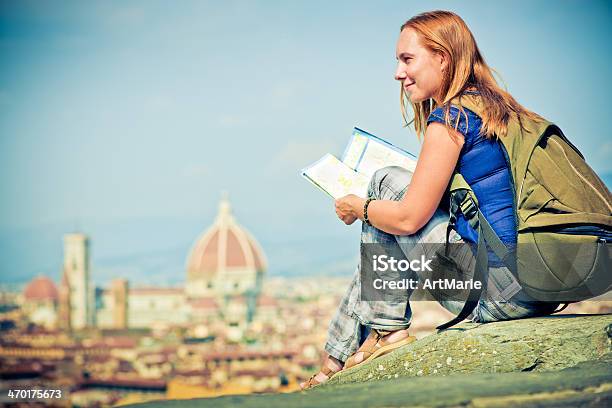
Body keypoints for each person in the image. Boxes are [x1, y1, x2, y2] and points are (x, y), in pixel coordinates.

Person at [300, 10, 561, 390]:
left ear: (442, 57)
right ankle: (344, 354)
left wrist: (360, 207)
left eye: (407, 59)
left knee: (385, 184)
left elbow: (408, 219)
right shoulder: (500, 110)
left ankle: (368, 341)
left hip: (495, 294)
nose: (397, 73)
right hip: (535, 286)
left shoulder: (451, 119)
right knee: (384, 227)